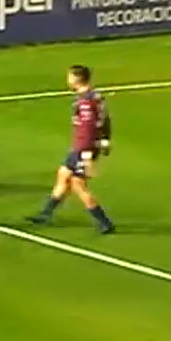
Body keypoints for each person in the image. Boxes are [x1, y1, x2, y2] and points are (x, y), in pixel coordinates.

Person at [27, 65, 115, 234]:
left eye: (69, 77)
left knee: (78, 185)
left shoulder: (85, 102)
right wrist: (106, 139)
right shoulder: (95, 97)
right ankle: (45, 213)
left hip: (84, 147)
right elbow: (105, 120)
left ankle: (104, 221)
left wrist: (87, 153)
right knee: (63, 175)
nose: (67, 80)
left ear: (76, 78)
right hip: (81, 146)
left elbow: (89, 127)